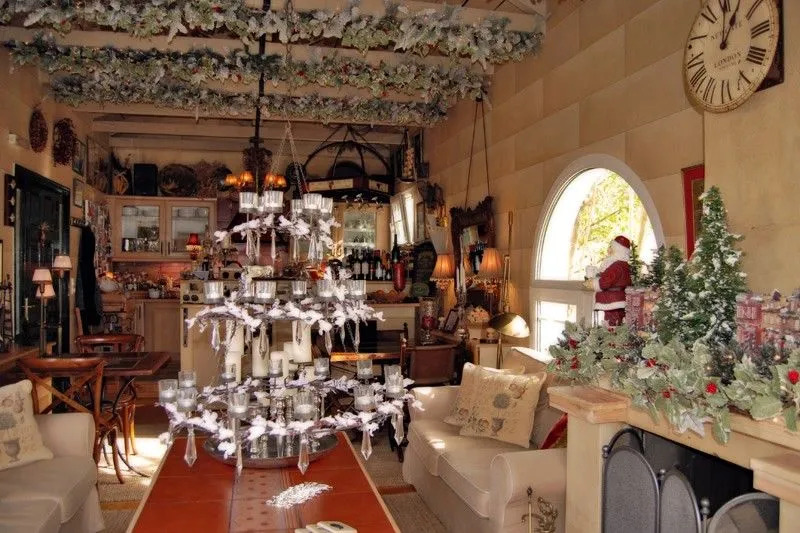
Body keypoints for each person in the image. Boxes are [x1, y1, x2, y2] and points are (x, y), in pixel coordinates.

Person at [584, 235, 632, 326]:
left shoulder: (617, 266)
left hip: (613, 301)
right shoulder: (621, 265)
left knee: (612, 324)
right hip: (614, 300)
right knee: (614, 322)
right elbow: (607, 276)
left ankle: (612, 334)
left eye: (611, 248)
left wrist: (593, 283)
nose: (608, 250)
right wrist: (596, 274)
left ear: (618, 250)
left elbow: (607, 280)